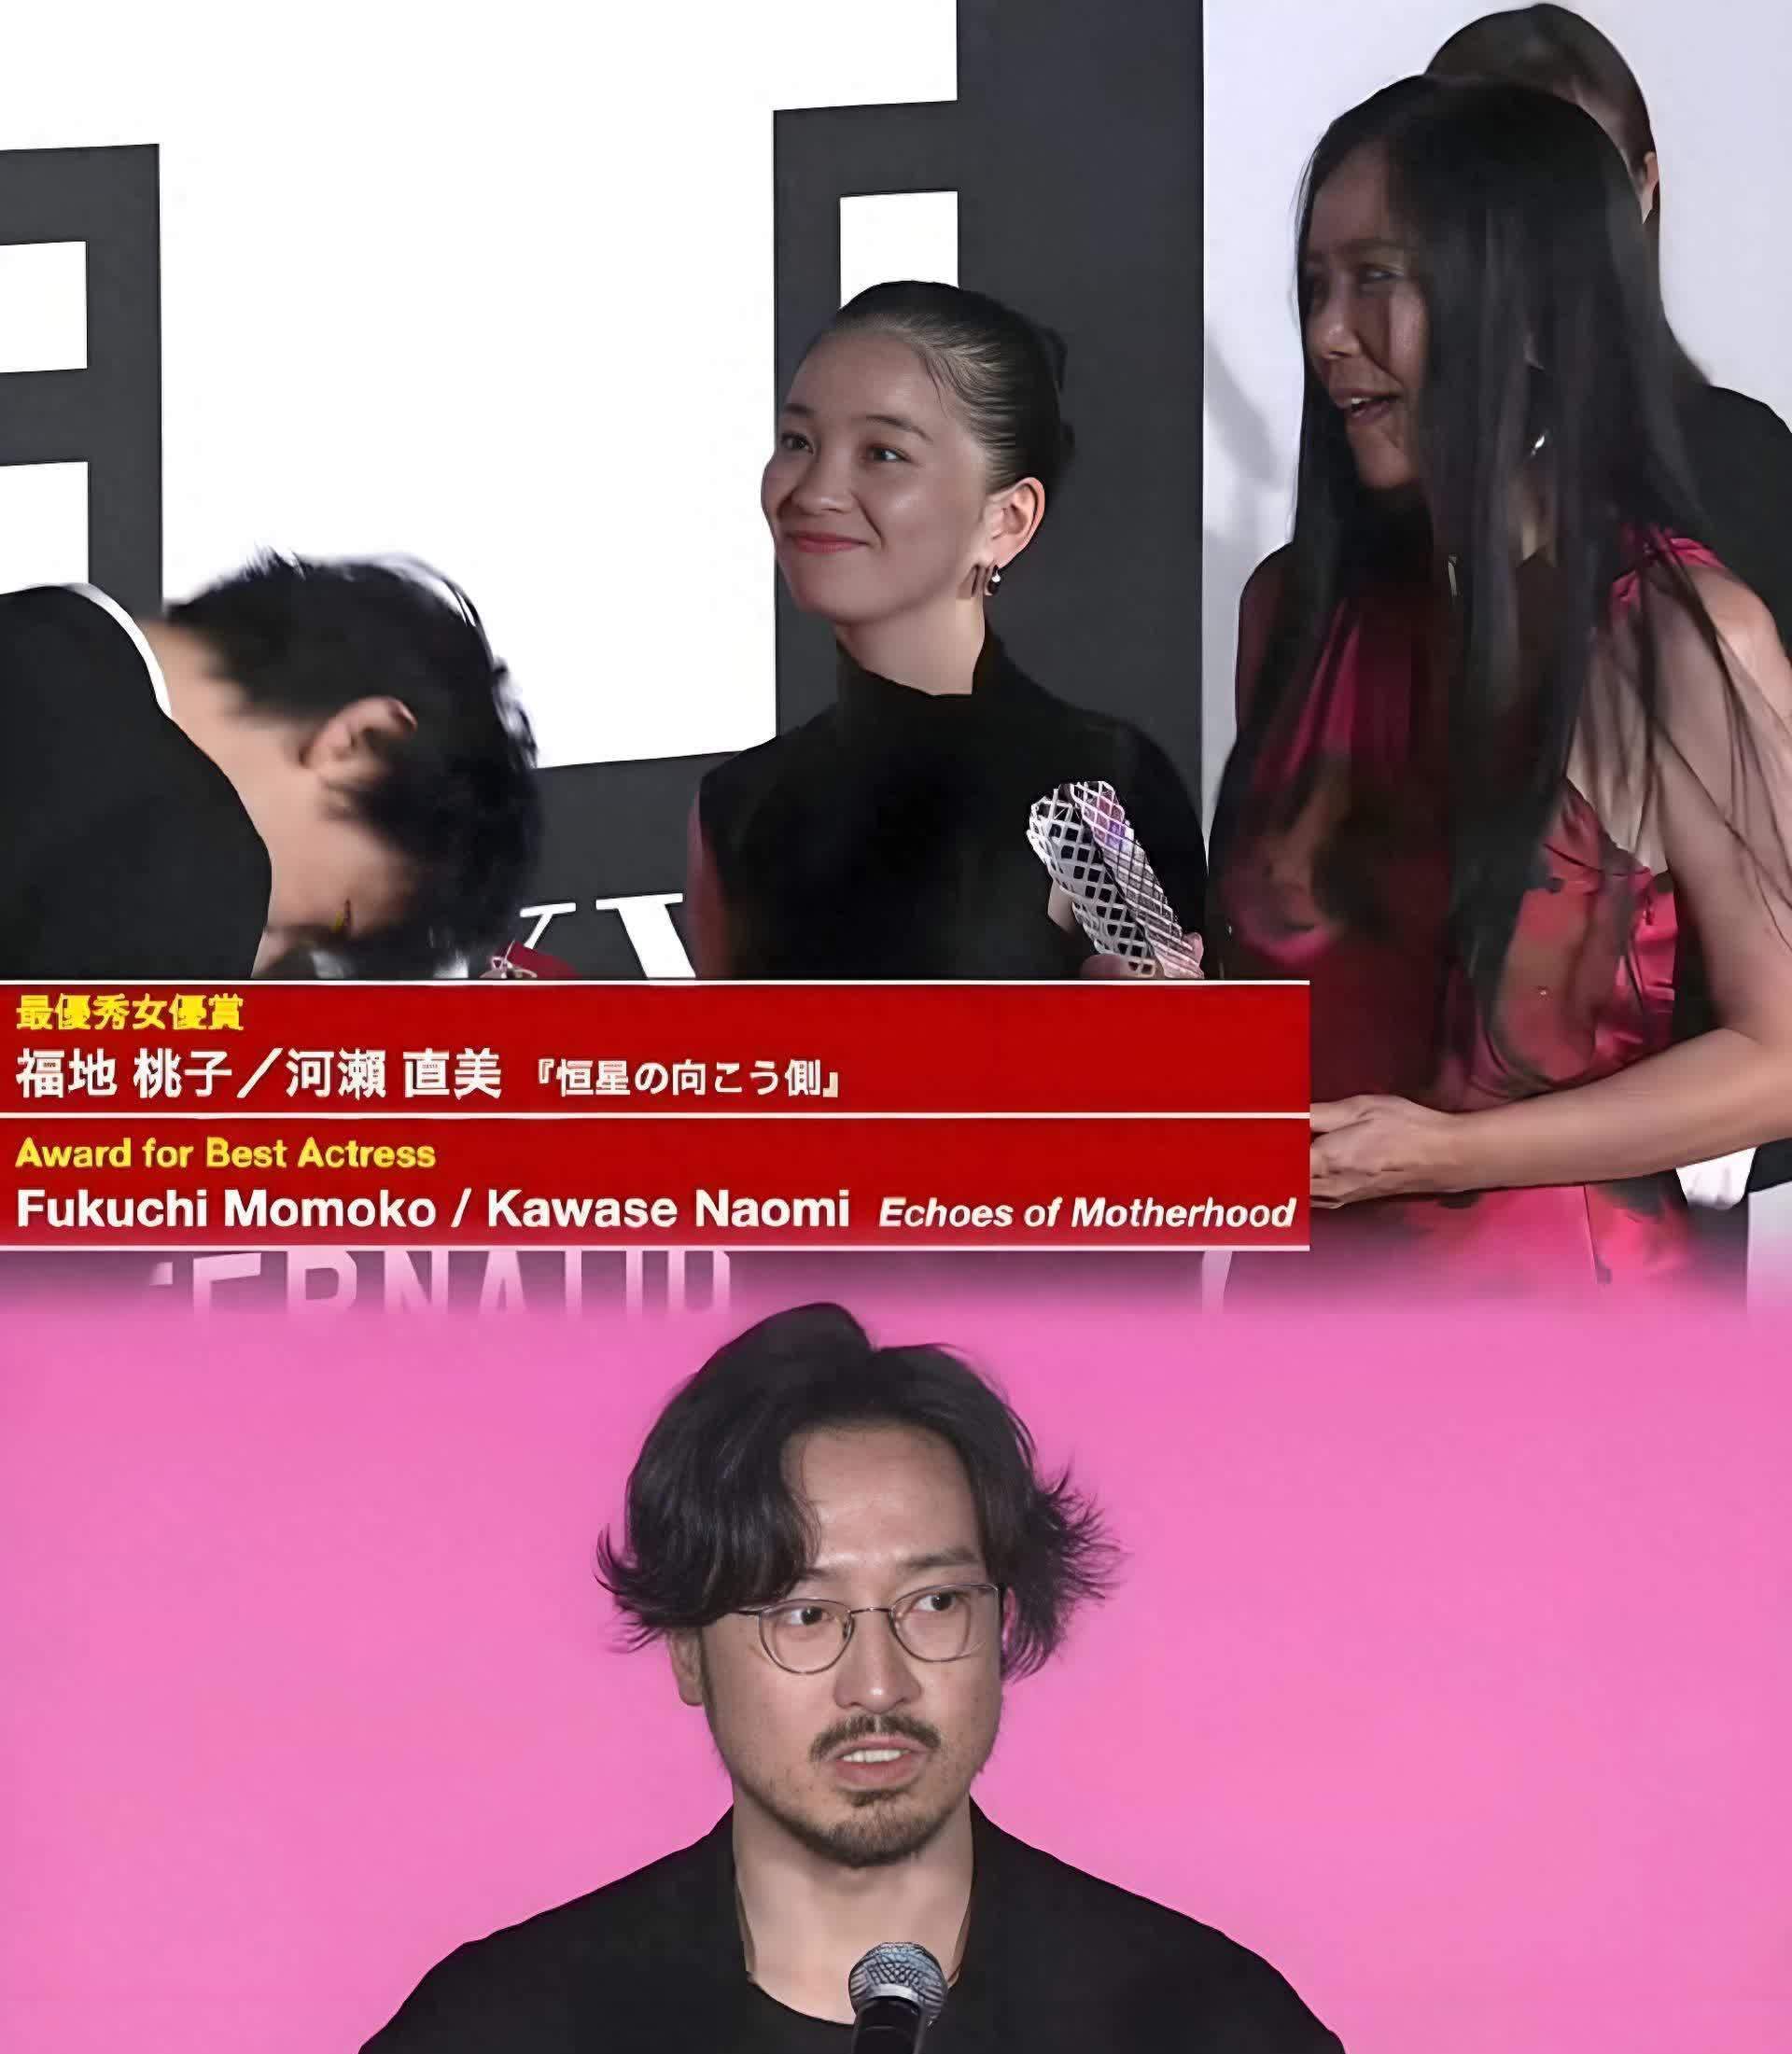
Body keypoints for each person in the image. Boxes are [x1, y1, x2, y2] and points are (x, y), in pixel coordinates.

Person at [315, 1305, 1389, 2054]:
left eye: (935, 1602)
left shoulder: (1221, 2046)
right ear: (688, 1650)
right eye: (805, 1614)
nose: (878, 1684)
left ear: (1003, 1621)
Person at [1209, 77, 1792, 1298]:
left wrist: (1450, 1153)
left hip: (1567, 1340)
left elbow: (1777, 1056)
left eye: (1377, 279)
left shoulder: (1674, 639)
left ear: (1526, 305)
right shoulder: (1291, 612)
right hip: (1294, 1322)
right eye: (1315, 286)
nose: (1327, 336)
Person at [1427, 6, 1792, 1256]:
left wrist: (1722, 1105)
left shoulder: (1731, 469)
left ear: (1639, 190)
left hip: (1634, 1179)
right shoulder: (1361, 541)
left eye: (1561, 185)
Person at [687, 282, 1207, 979]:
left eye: (883, 453)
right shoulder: (739, 806)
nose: (814, 492)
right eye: (797, 442)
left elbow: (1184, 1042)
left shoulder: (1089, 788)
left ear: (1008, 520)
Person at [0, 554, 540, 979]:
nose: (262, 960)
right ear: (363, 744)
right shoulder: (184, 892)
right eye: (332, 920)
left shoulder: (43, 625)